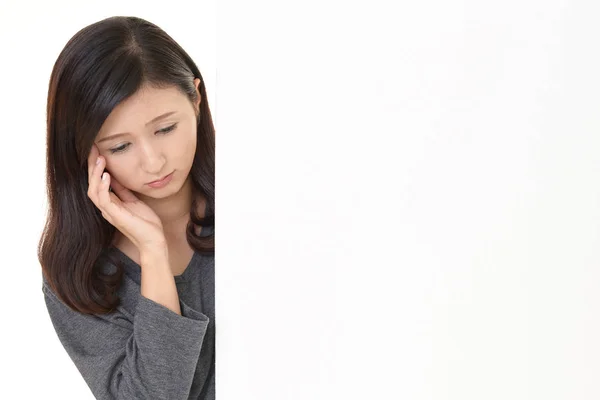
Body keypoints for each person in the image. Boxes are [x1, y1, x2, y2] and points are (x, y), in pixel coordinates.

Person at [38, 16, 215, 400]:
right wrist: (153, 253)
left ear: (196, 100)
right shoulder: (78, 274)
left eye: (166, 129)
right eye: (120, 146)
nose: (153, 162)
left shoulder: (261, 203)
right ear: (86, 152)